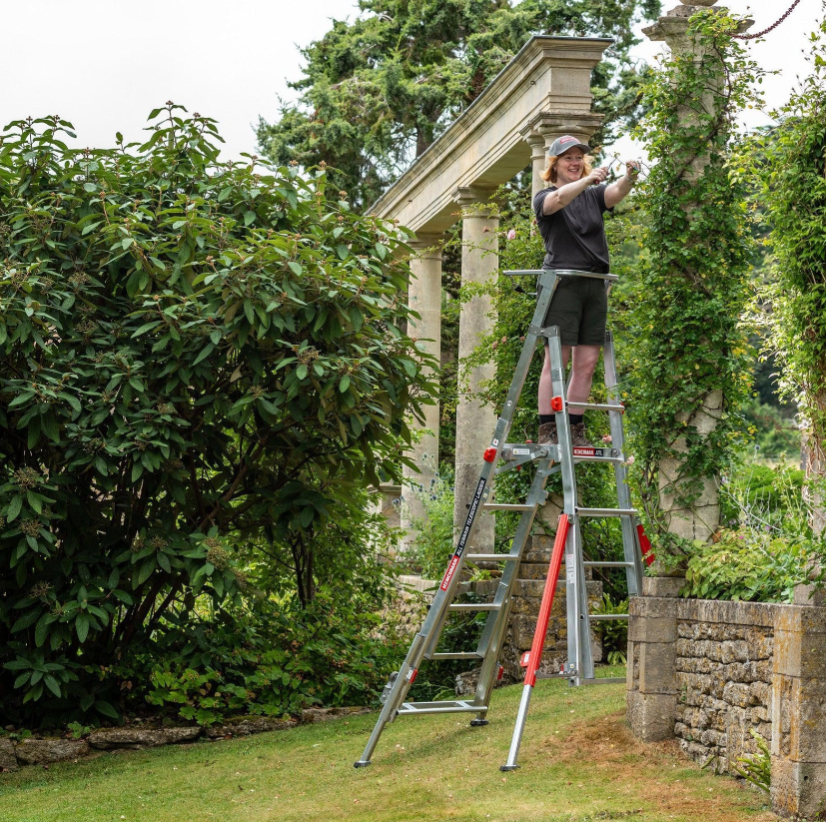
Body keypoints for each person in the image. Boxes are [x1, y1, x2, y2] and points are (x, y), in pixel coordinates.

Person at [533, 135, 639, 447]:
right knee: (556, 361)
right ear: (555, 165)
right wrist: (590, 180)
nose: (575, 162)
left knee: (587, 362)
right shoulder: (545, 197)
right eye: (568, 158)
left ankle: (574, 427)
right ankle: (548, 429)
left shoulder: (592, 197)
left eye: (579, 157)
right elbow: (561, 200)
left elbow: (616, 193)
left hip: (594, 283)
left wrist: (629, 177)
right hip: (562, 282)